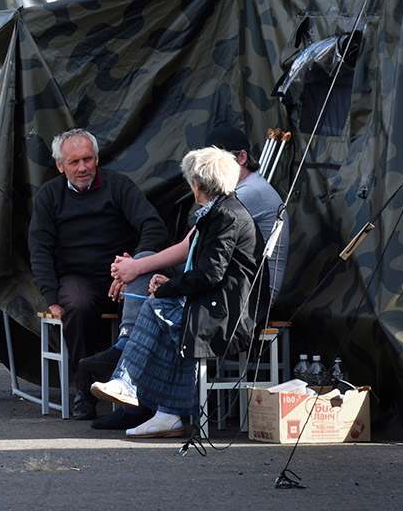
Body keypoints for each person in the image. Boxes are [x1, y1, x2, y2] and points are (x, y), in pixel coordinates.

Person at [82, 124, 285, 430]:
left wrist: (165, 287)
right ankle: (152, 398)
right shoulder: (222, 208)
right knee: (155, 290)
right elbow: (206, 263)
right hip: (228, 292)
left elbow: (205, 268)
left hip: (239, 302)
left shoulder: (235, 205)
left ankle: (135, 383)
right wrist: (163, 282)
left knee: (161, 307)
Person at [27, 128, 166, 420]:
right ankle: (84, 391)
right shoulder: (49, 196)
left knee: (155, 299)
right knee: (75, 304)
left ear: (97, 159)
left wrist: (132, 266)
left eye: (87, 159)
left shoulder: (118, 186)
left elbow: (153, 226)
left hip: (121, 276)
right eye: (74, 162)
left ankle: (142, 395)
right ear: (60, 165)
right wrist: (51, 298)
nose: (82, 168)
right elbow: (39, 250)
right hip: (77, 279)